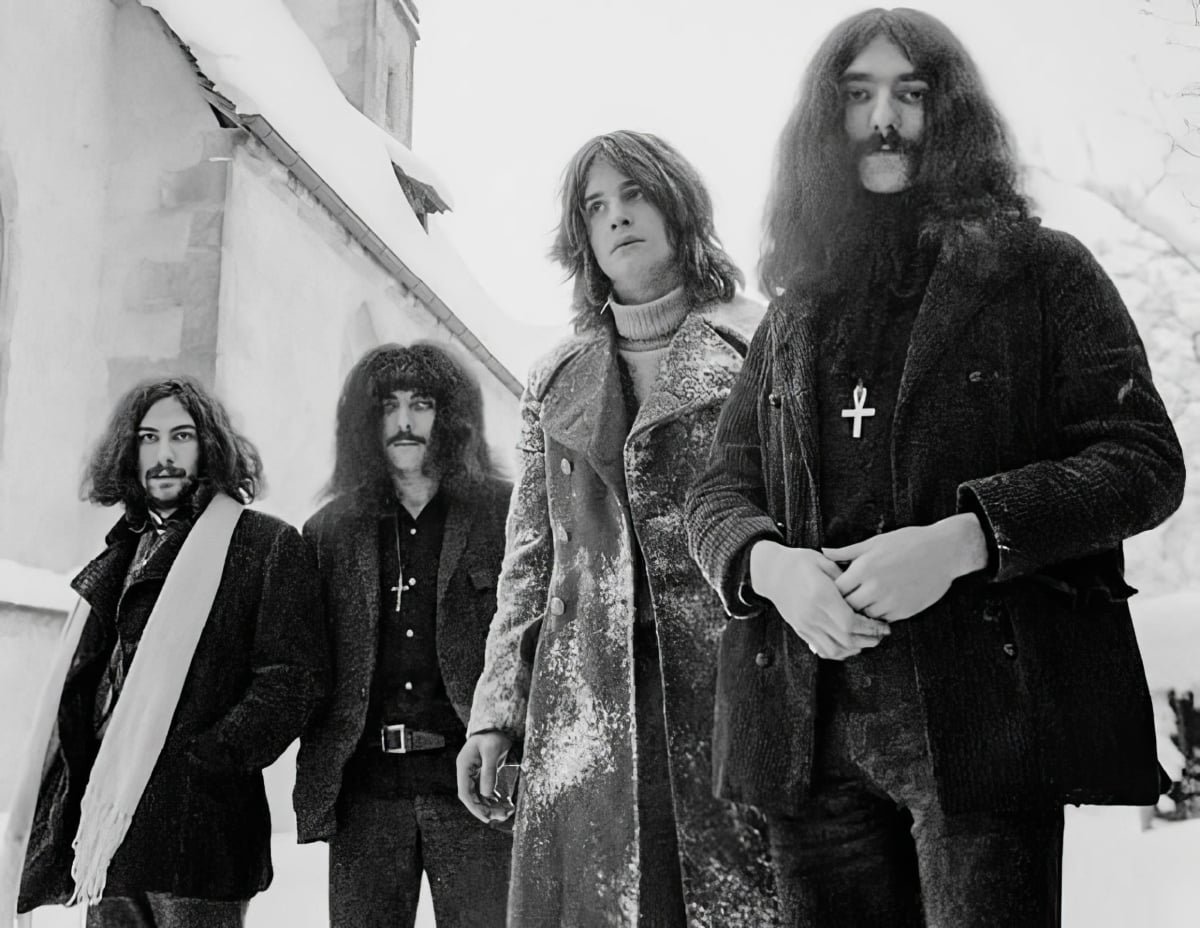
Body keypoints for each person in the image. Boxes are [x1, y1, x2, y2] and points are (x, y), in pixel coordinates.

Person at [684, 8, 1186, 927]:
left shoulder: (1044, 273)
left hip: (983, 724)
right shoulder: (796, 307)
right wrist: (771, 566)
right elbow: (719, 488)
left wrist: (966, 539)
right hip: (809, 733)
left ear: (949, 112)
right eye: (858, 95)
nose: (885, 119)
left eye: (910, 94)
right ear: (825, 121)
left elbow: (1142, 461)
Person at [457, 130, 778, 927]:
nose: (617, 217)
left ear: (677, 206)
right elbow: (531, 561)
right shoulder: (555, 376)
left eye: (634, 195)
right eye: (596, 207)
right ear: (583, 239)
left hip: (730, 677)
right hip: (587, 698)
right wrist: (497, 713)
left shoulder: (761, 343)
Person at [7, 377, 327, 927]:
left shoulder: (265, 544)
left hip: (200, 836)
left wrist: (209, 760)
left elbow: (293, 680)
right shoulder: (121, 552)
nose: (164, 455)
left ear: (210, 447)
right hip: (110, 839)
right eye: (148, 438)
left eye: (182, 436)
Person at [295, 343, 512, 927]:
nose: (404, 422)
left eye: (421, 404)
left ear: (451, 416)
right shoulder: (328, 532)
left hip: (475, 787)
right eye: (388, 406)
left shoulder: (506, 515)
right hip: (365, 795)